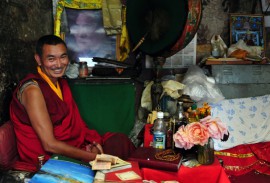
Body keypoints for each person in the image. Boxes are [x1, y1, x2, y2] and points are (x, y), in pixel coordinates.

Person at [9, 35, 135, 172]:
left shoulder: (61, 83)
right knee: (111, 165)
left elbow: (76, 127)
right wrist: (92, 156)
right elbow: (49, 144)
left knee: (119, 141)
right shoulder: (32, 90)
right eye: (51, 59)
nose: (58, 64)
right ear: (38, 59)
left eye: (63, 57)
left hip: (71, 147)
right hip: (48, 157)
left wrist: (92, 144)